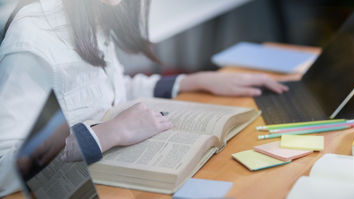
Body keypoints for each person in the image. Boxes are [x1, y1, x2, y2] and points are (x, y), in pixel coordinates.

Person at [0, 0, 288, 196]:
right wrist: (105, 134)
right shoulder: (33, 39)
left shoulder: (95, 10)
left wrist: (193, 81)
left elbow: (108, 93)